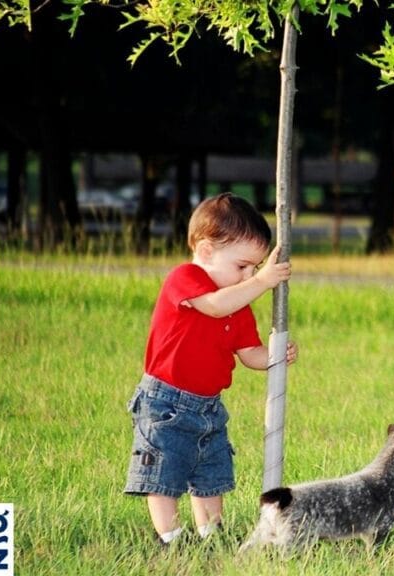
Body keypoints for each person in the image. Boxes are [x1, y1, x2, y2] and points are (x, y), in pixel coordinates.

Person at [124, 192, 298, 546]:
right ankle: (170, 537)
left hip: (209, 406)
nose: (249, 275)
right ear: (206, 252)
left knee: (210, 472)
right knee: (164, 471)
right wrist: (263, 281)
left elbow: (249, 354)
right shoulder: (185, 278)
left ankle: (210, 534)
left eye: (255, 267)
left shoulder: (239, 303)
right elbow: (215, 307)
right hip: (165, 403)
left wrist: (275, 355)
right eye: (243, 266)